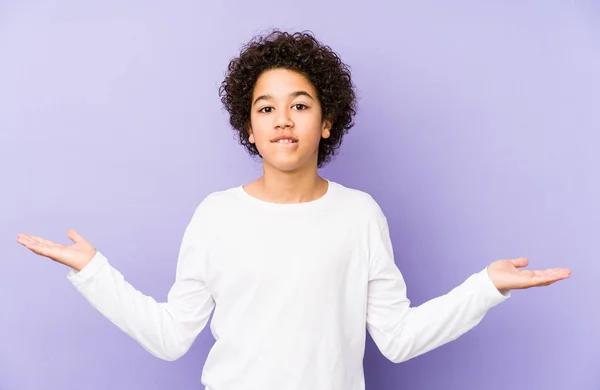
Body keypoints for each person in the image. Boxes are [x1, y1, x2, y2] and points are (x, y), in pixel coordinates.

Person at [16, 30, 571, 390]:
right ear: (250, 130)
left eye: (300, 105)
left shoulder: (359, 216)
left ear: (325, 123)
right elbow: (169, 337)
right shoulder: (216, 216)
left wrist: (485, 287)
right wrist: (93, 273)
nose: (283, 118)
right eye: (267, 108)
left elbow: (398, 339)